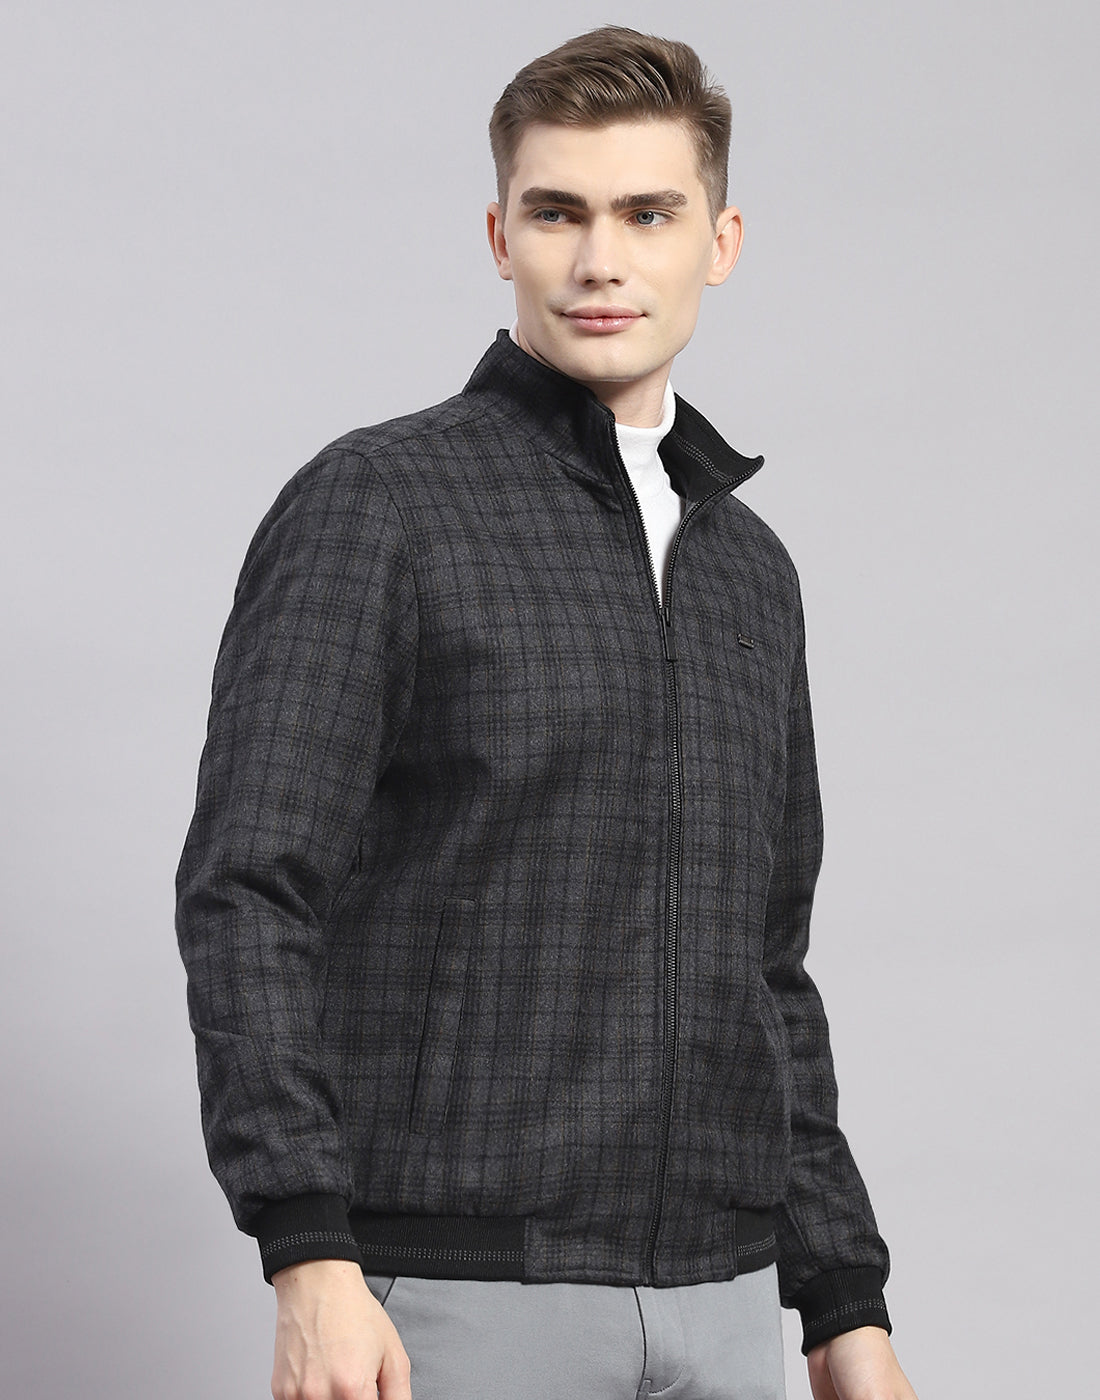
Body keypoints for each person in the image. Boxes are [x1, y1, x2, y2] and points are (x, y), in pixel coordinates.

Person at [176, 25, 919, 1400]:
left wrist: (842, 1303)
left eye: (649, 214)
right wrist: (308, 1251)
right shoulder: (380, 505)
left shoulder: (749, 568)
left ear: (722, 241)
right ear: (500, 234)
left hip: (723, 1307)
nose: (600, 260)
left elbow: (767, 970)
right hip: (454, 1300)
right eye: (558, 212)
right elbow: (248, 890)